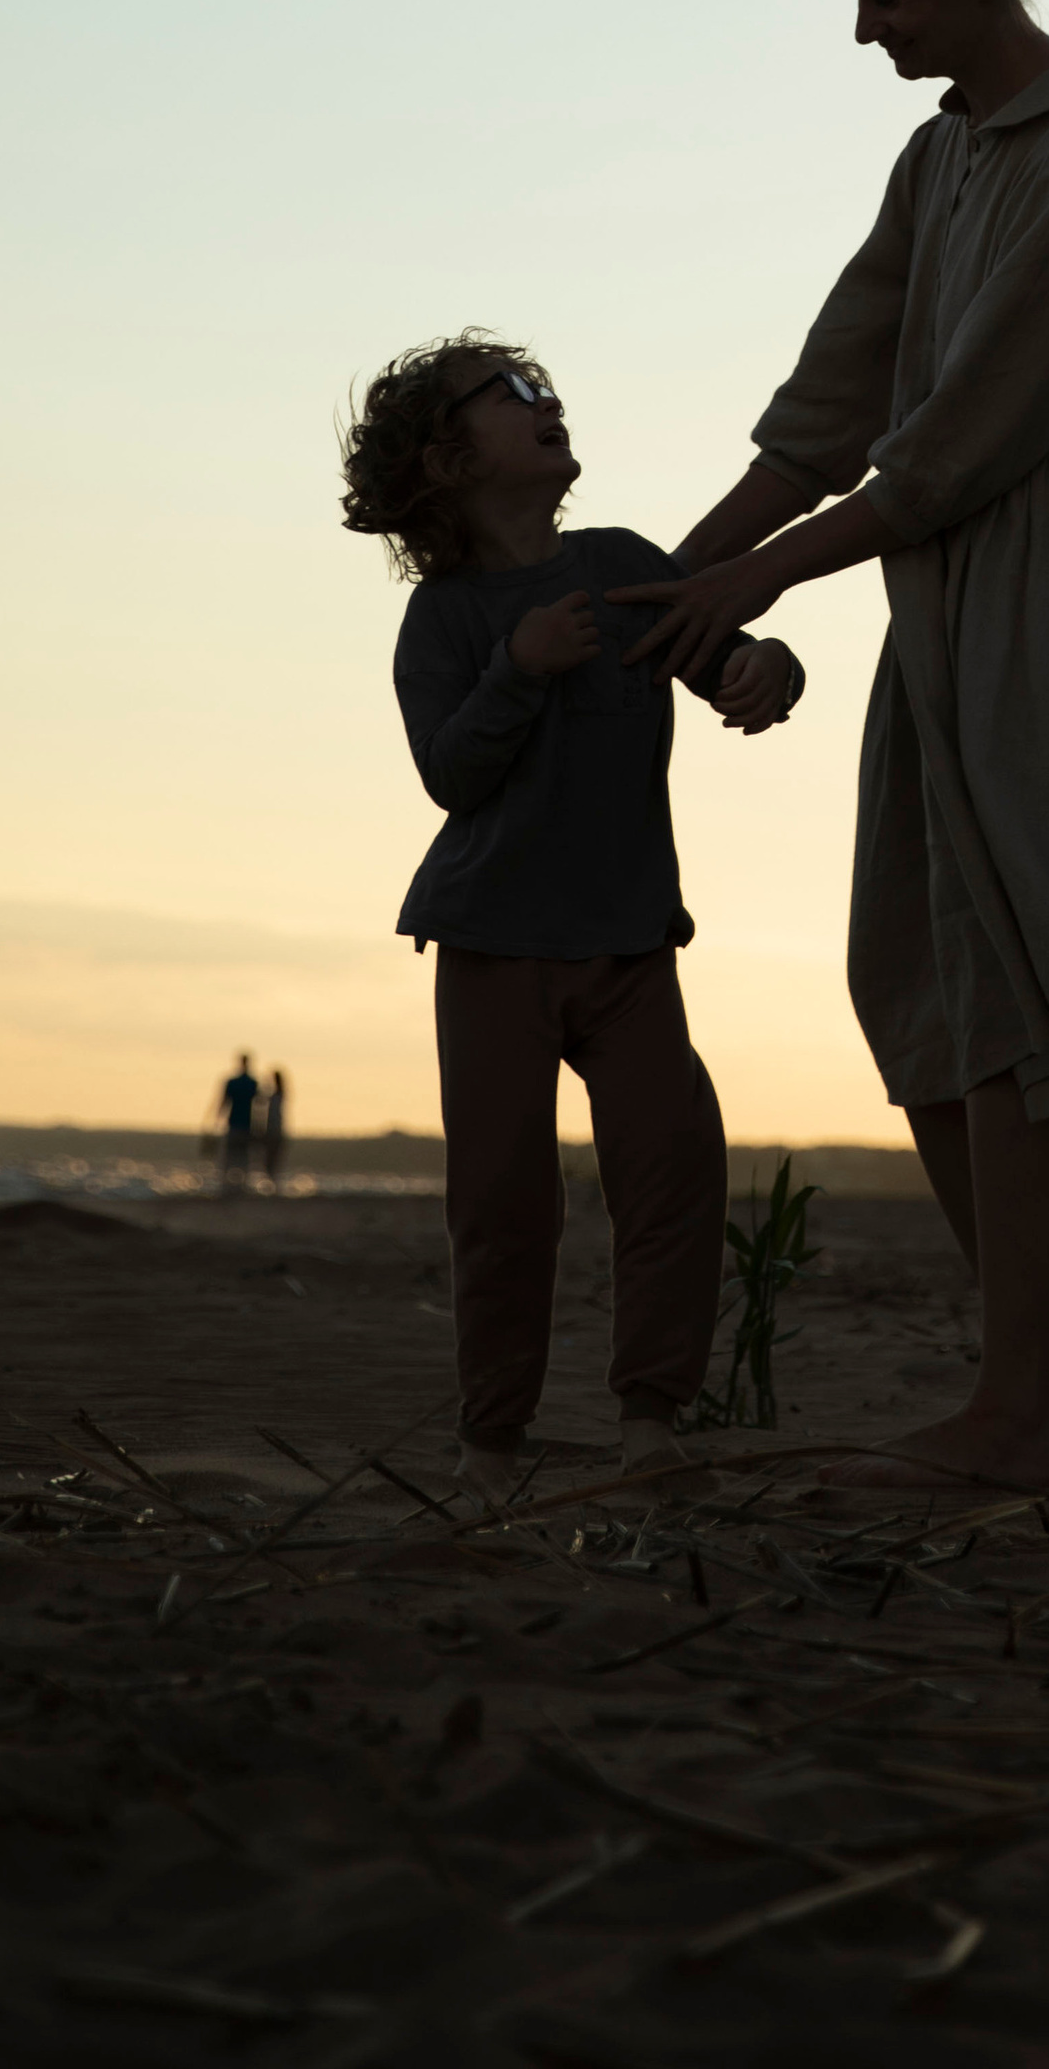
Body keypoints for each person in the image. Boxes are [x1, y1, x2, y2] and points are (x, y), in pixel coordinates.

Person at [611, 0, 1049, 1493]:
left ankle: (1021, 1403)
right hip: (940, 593)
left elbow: (958, 448)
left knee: (1031, 990)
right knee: (925, 976)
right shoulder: (944, 148)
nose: (866, 28)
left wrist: (763, 581)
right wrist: (686, 567)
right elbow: (841, 394)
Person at [339, 334, 805, 1491]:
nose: (549, 406)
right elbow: (451, 776)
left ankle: (650, 1421)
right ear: (446, 462)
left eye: (546, 389)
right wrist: (520, 668)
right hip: (493, 946)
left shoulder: (618, 563)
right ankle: (491, 1442)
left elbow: (729, 654)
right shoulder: (442, 622)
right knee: (502, 1203)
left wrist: (768, 673)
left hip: (633, 942)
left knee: (675, 1166)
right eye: (516, 396)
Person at [210, 1052, 260, 1185]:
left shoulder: (233, 1082)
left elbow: (224, 1102)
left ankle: (227, 1181)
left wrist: (217, 1120)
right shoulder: (252, 1083)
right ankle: (242, 1182)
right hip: (246, 1123)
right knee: (243, 1155)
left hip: (236, 1123)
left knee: (230, 1154)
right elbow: (259, 1105)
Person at [261, 1069, 290, 1188]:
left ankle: (273, 1182)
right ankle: (273, 1182)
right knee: (272, 1158)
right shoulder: (280, 1094)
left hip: (274, 1130)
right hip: (275, 1130)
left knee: (271, 1159)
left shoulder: (278, 1095)